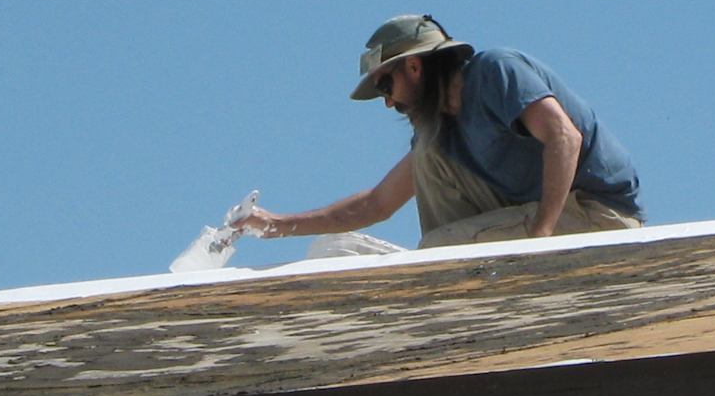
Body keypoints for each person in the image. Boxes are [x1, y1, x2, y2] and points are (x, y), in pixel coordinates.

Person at [239, 14, 642, 248]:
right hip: (543, 214)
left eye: (385, 85)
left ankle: (464, 286)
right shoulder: (442, 127)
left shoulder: (494, 72)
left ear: (414, 67)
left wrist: (539, 239)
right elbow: (375, 205)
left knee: (439, 249)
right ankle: (474, 283)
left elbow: (564, 137)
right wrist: (278, 224)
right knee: (429, 154)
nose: (388, 102)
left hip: (598, 214)